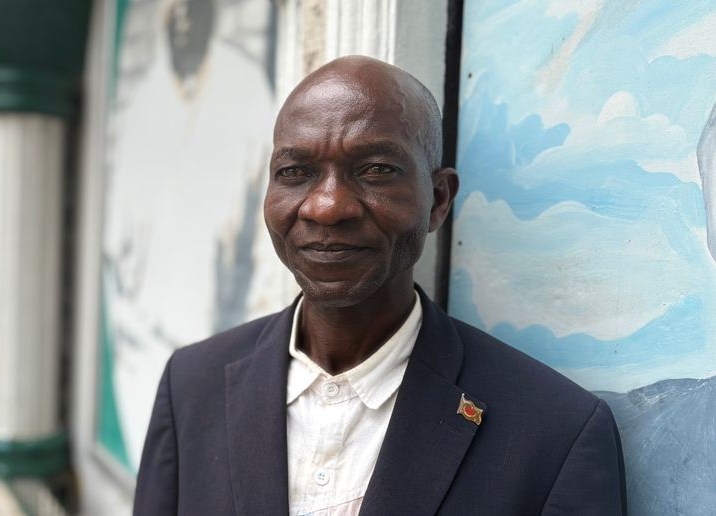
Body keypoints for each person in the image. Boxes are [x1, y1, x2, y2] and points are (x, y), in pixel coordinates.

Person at [133, 55, 626, 515]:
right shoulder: (191, 386)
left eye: (375, 170)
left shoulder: (556, 433)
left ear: (437, 200)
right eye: (295, 172)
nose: (326, 206)